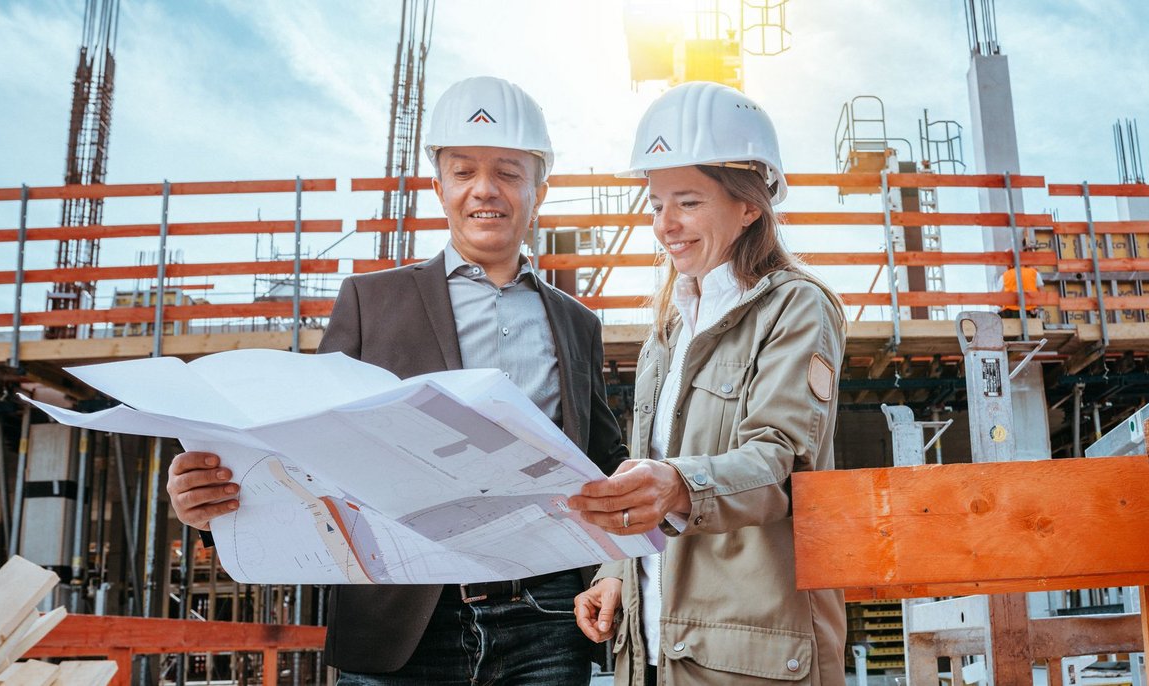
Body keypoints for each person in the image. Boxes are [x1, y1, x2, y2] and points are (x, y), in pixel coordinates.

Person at [163, 76, 626, 685]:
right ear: (439, 186)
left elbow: (602, 457)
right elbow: (305, 448)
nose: (484, 191)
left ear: (541, 187)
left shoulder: (576, 323)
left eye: (509, 172)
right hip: (401, 622)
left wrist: (616, 566)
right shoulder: (369, 302)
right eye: (463, 172)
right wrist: (214, 498)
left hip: (546, 619)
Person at [568, 82, 848, 685]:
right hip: (649, 653)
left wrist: (676, 485)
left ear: (749, 205)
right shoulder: (666, 333)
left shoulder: (796, 309)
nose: (665, 225)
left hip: (747, 657)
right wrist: (614, 572)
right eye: (655, 204)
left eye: (687, 202)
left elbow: (780, 461)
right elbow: (648, 474)